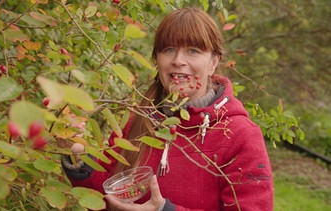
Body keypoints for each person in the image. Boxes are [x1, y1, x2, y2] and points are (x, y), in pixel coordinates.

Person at [61, 7, 274, 211]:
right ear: (157, 60)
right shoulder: (139, 117)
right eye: (169, 50)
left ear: (213, 63)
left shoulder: (240, 135)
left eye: (193, 51)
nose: (178, 61)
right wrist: (78, 155)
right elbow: (107, 200)